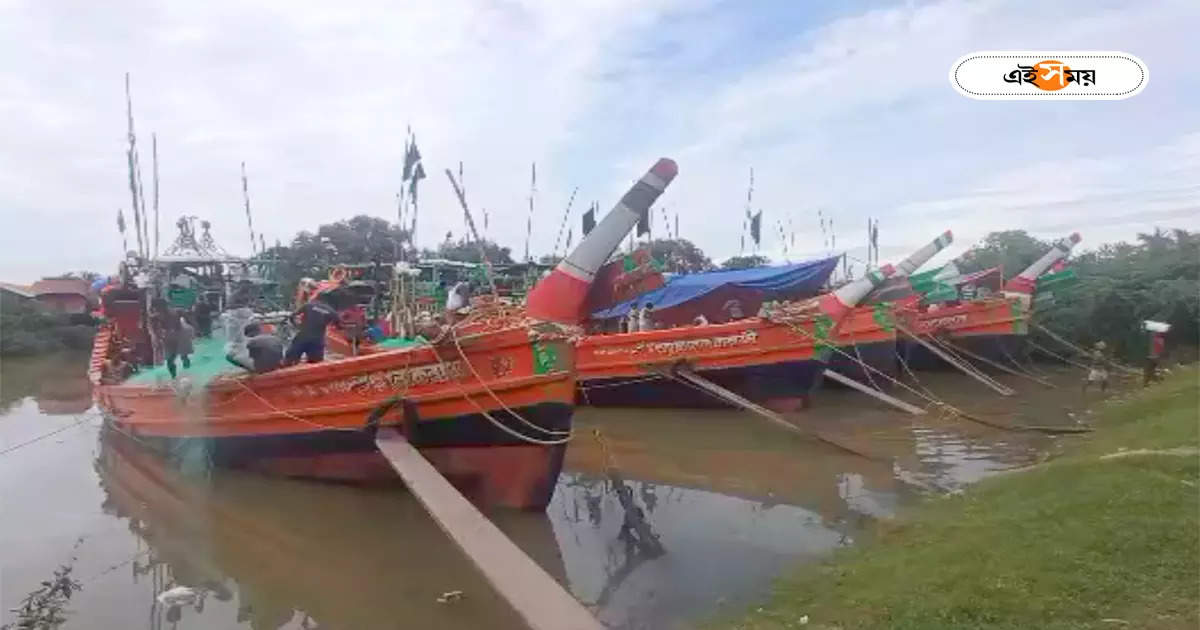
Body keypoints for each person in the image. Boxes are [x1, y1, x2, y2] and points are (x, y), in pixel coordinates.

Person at [284, 293, 340, 365]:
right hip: (317, 341)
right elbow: (339, 326)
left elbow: (292, 316)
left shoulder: (308, 305)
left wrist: (297, 326)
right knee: (316, 365)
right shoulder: (332, 312)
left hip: (302, 337)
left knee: (289, 361)